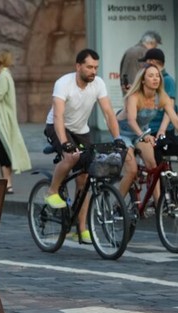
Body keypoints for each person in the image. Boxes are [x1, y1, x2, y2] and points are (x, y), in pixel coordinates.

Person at [43, 49, 122, 244]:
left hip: (81, 130)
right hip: (57, 126)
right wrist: (64, 143)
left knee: (85, 177)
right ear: (78, 66)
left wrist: (118, 138)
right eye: (89, 67)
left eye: (96, 67)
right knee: (71, 157)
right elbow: (58, 116)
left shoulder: (98, 84)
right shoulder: (63, 83)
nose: (93, 71)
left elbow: (108, 113)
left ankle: (82, 228)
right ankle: (52, 190)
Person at [116, 65, 178, 200]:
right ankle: (118, 204)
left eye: (157, 76)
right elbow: (131, 121)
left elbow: (175, 119)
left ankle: (158, 204)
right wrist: (144, 136)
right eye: (151, 76)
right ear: (143, 80)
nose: (155, 79)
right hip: (123, 133)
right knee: (132, 170)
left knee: (153, 167)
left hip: (142, 132)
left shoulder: (162, 97)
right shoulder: (134, 96)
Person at [0, 50, 31, 193]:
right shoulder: (3, 75)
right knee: (3, 149)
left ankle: (8, 183)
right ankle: (7, 182)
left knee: (3, 150)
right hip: (0, 118)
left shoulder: (3, 76)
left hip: (2, 118)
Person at [138, 48, 177, 136]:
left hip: (160, 131)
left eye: (146, 62)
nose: (144, 65)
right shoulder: (150, 80)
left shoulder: (168, 81)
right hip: (149, 129)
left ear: (152, 62)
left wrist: (162, 130)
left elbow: (169, 109)